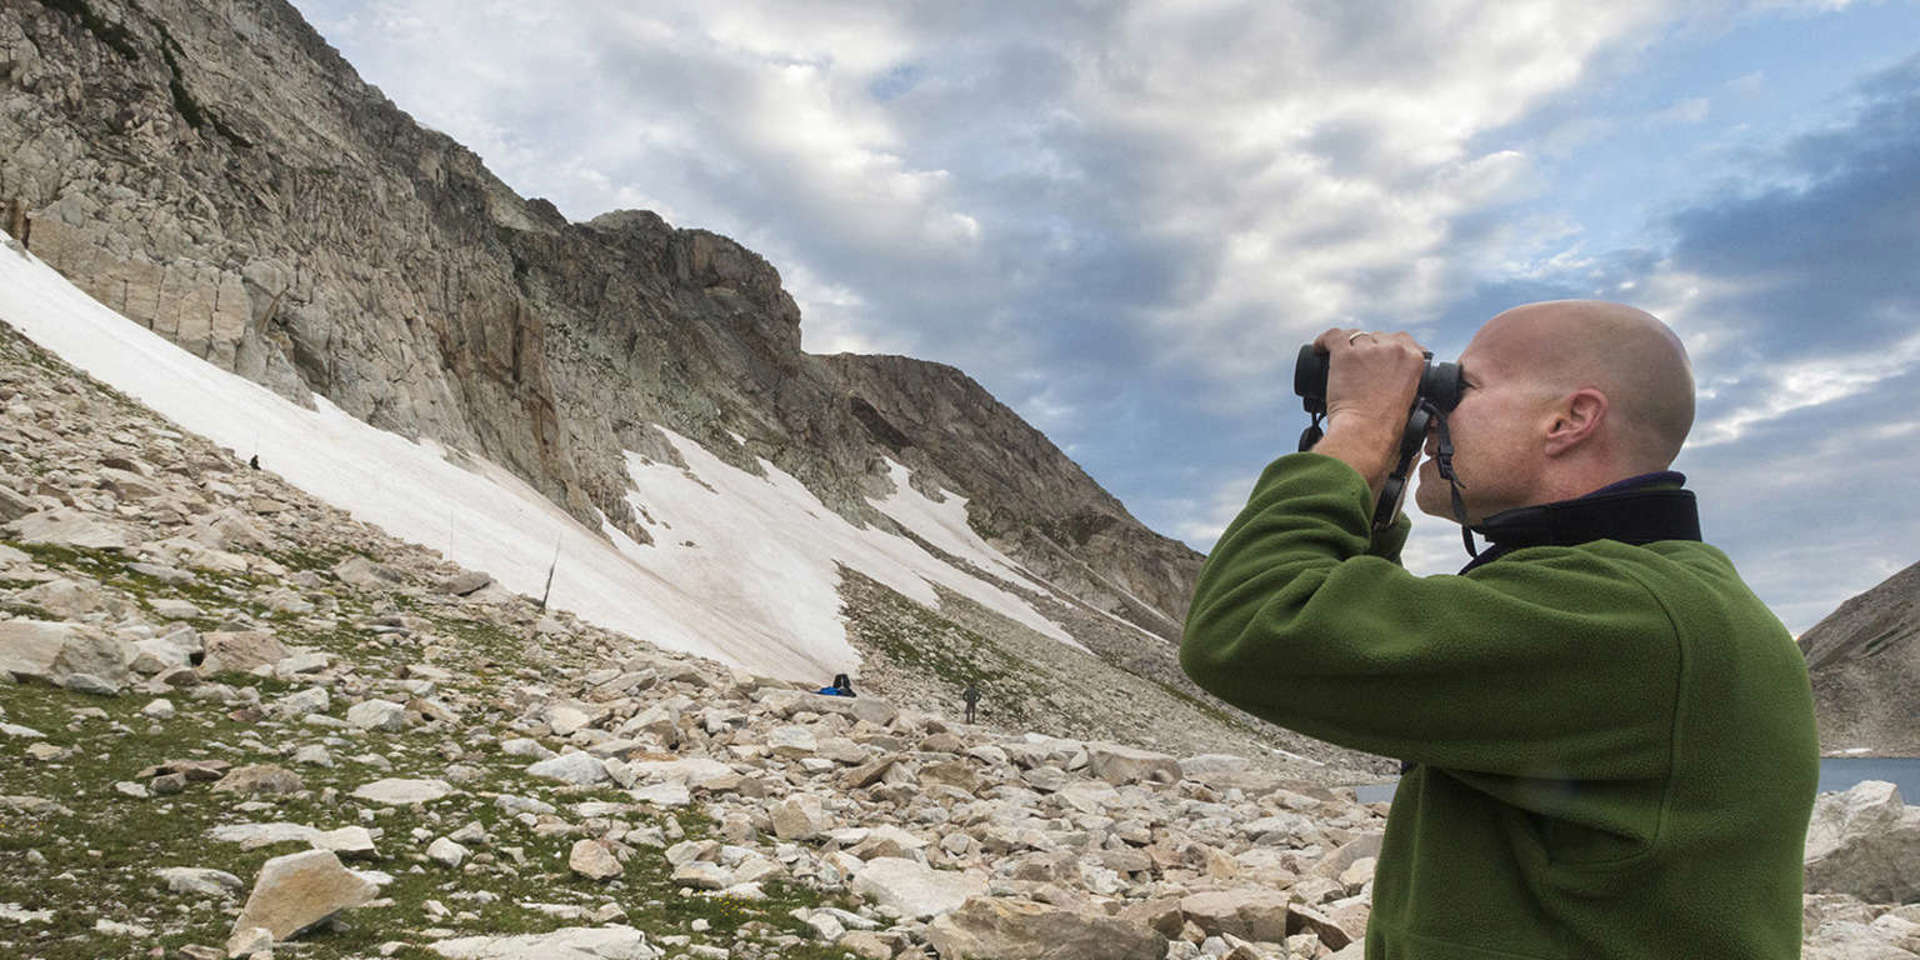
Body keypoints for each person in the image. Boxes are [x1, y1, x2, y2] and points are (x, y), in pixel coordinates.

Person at [1180, 301, 1818, 959]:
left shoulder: (1628, 617)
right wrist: (1379, 479)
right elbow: (1354, 650)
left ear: (1568, 420)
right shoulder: (1635, 594)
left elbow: (1250, 624)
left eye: (1462, 388)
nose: (1429, 415)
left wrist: (1360, 425)